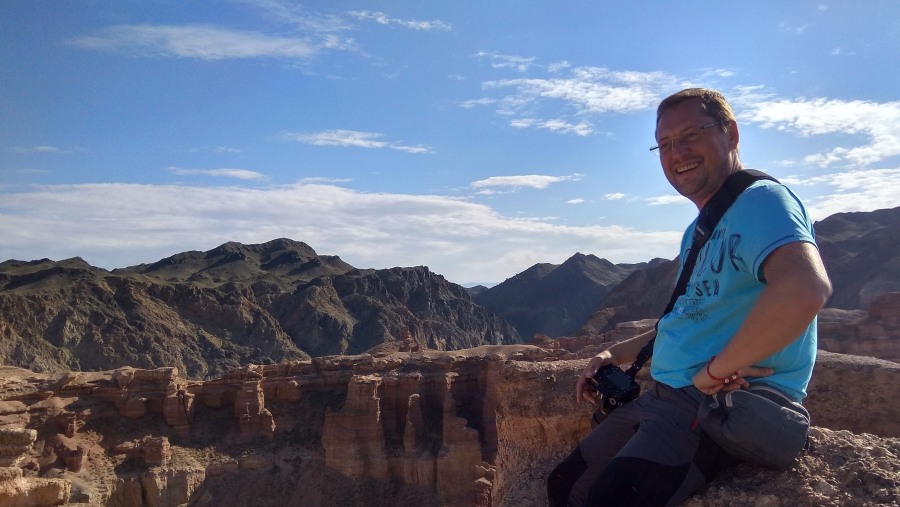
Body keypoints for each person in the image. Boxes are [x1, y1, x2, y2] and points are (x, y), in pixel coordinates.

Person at [546, 88, 832, 507]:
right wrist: (615, 353)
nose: (676, 152)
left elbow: (805, 289)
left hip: (713, 408)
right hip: (665, 398)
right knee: (566, 484)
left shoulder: (763, 201)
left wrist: (717, 371)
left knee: (612, 498)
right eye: (664, 144)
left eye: (690, 135)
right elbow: (690, 315)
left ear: (730, 134)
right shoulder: (701, 228)